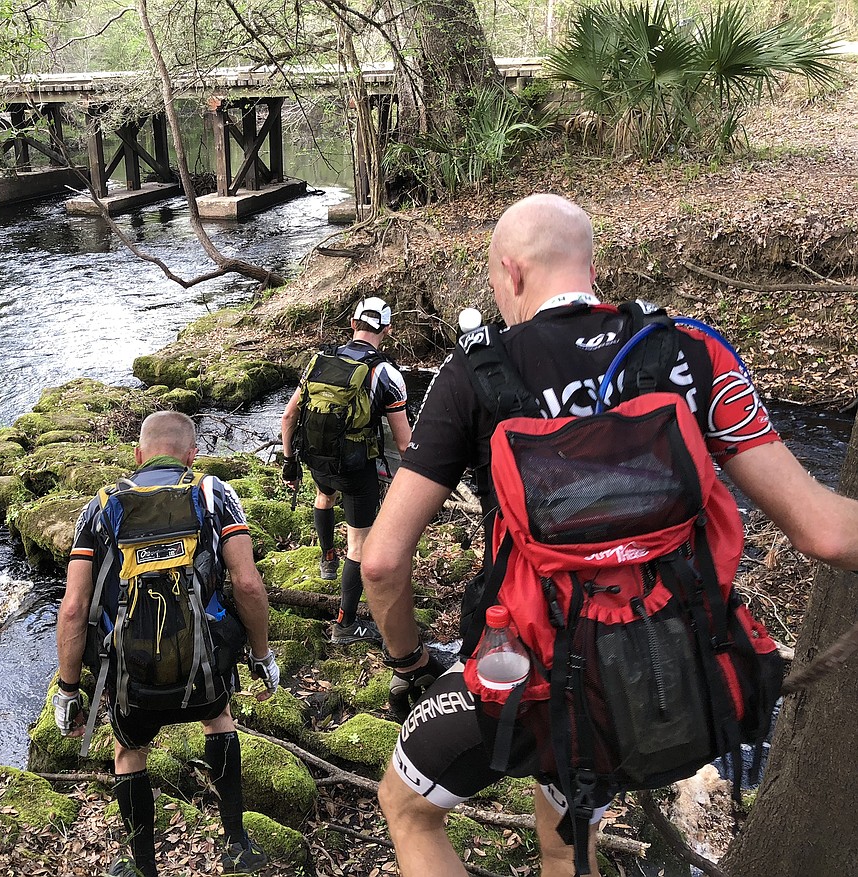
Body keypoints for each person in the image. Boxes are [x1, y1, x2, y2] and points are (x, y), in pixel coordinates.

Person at [360, 193, 858, 877]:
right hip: (656, 676)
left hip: (528, 675)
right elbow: (828, 533)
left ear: (510, 273)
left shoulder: (473, 374)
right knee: (568, 844)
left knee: (407, 806)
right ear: (592, 267)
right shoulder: (689, 352)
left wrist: (407, 662)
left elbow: (383, 561)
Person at [54, 411, 280, 877]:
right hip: (204, 667)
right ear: (192, 454)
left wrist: (68, 688)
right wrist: (262, 655)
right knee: (219, 720)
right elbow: (248, 585)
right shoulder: (214, 494)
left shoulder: (100, 506)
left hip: (131, 677)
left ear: (137, 455)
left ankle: (143, 867)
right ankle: (236, 843)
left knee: (129, 752)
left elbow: (74, 608)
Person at [279, 296, 412, 645]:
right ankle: (346, 624)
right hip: (355, 469)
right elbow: (403, 443)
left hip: (315, 459)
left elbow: (289, 417)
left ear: (352, 325)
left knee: (324, 495)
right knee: (360, 544)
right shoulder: (386, 373)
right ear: (387, 330)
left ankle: (326, 560)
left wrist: (289, 462)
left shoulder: (319, 362)